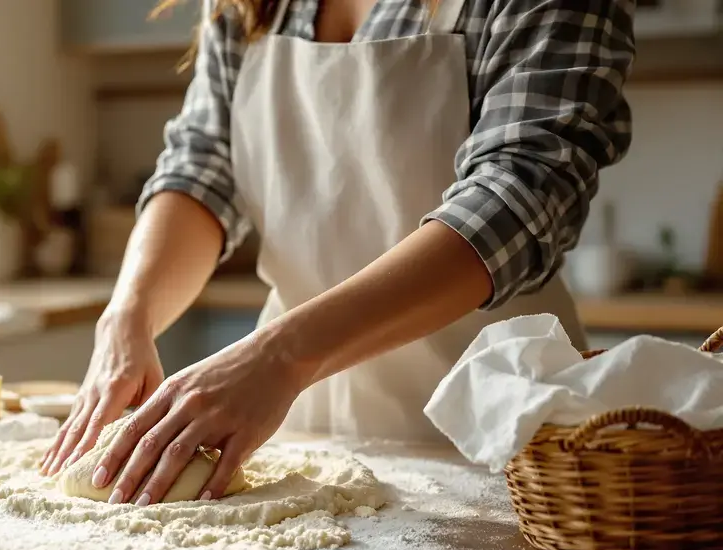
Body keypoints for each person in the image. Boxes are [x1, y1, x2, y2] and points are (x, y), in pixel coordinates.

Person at [39, 0, 633, 505]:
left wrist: (282, 356)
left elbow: (518, 196)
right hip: (299, 436)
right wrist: (130, 313)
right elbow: (202, 168)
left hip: (505, 445)